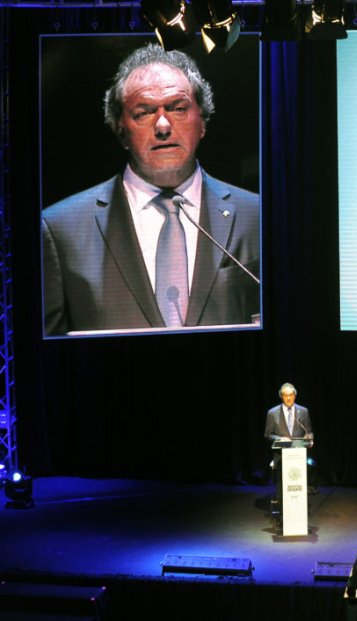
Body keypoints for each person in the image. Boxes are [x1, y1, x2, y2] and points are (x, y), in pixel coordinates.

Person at [42, 43, 260, 336]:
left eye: (178, 108)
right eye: (144, 112)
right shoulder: (60, 230)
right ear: (121, 131)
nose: (162, 126)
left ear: (202, 122)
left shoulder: (257, 216)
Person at [264, 382, 316, 494]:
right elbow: (268, 434)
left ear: (295, 395)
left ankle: (298, 510)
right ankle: (282, 508)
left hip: (299, 456)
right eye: (285, 395)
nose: (288, 398)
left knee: (297, 486)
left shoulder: (303, 411)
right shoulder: (272, 413)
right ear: (281, 396)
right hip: (281, 456)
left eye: (291, 395)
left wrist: (309, 438)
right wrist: (279, 439)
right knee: (282, 489)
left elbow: (309, 431)